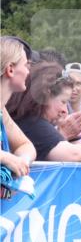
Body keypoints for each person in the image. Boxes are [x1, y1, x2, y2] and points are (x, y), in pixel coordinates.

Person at [1, 36, 37, 196]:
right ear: (10, 69)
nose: (28, 72)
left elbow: (26, 145)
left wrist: (21, 161)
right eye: (26, 65)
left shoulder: (2, 112)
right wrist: (5, 157)